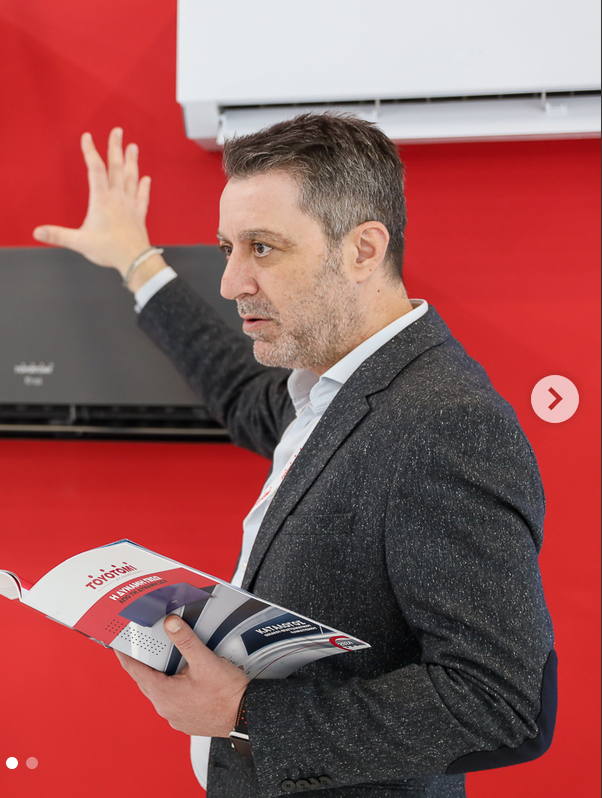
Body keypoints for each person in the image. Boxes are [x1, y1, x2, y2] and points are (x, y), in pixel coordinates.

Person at [34, 114, 555, 797]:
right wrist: (138, 260)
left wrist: (245, 713)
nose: (232, 282)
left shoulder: (444, 423)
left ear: (363, 249)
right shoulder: (329, 386)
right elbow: (241, 391)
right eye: (228, 247)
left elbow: (500, 705)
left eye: (264, 248)